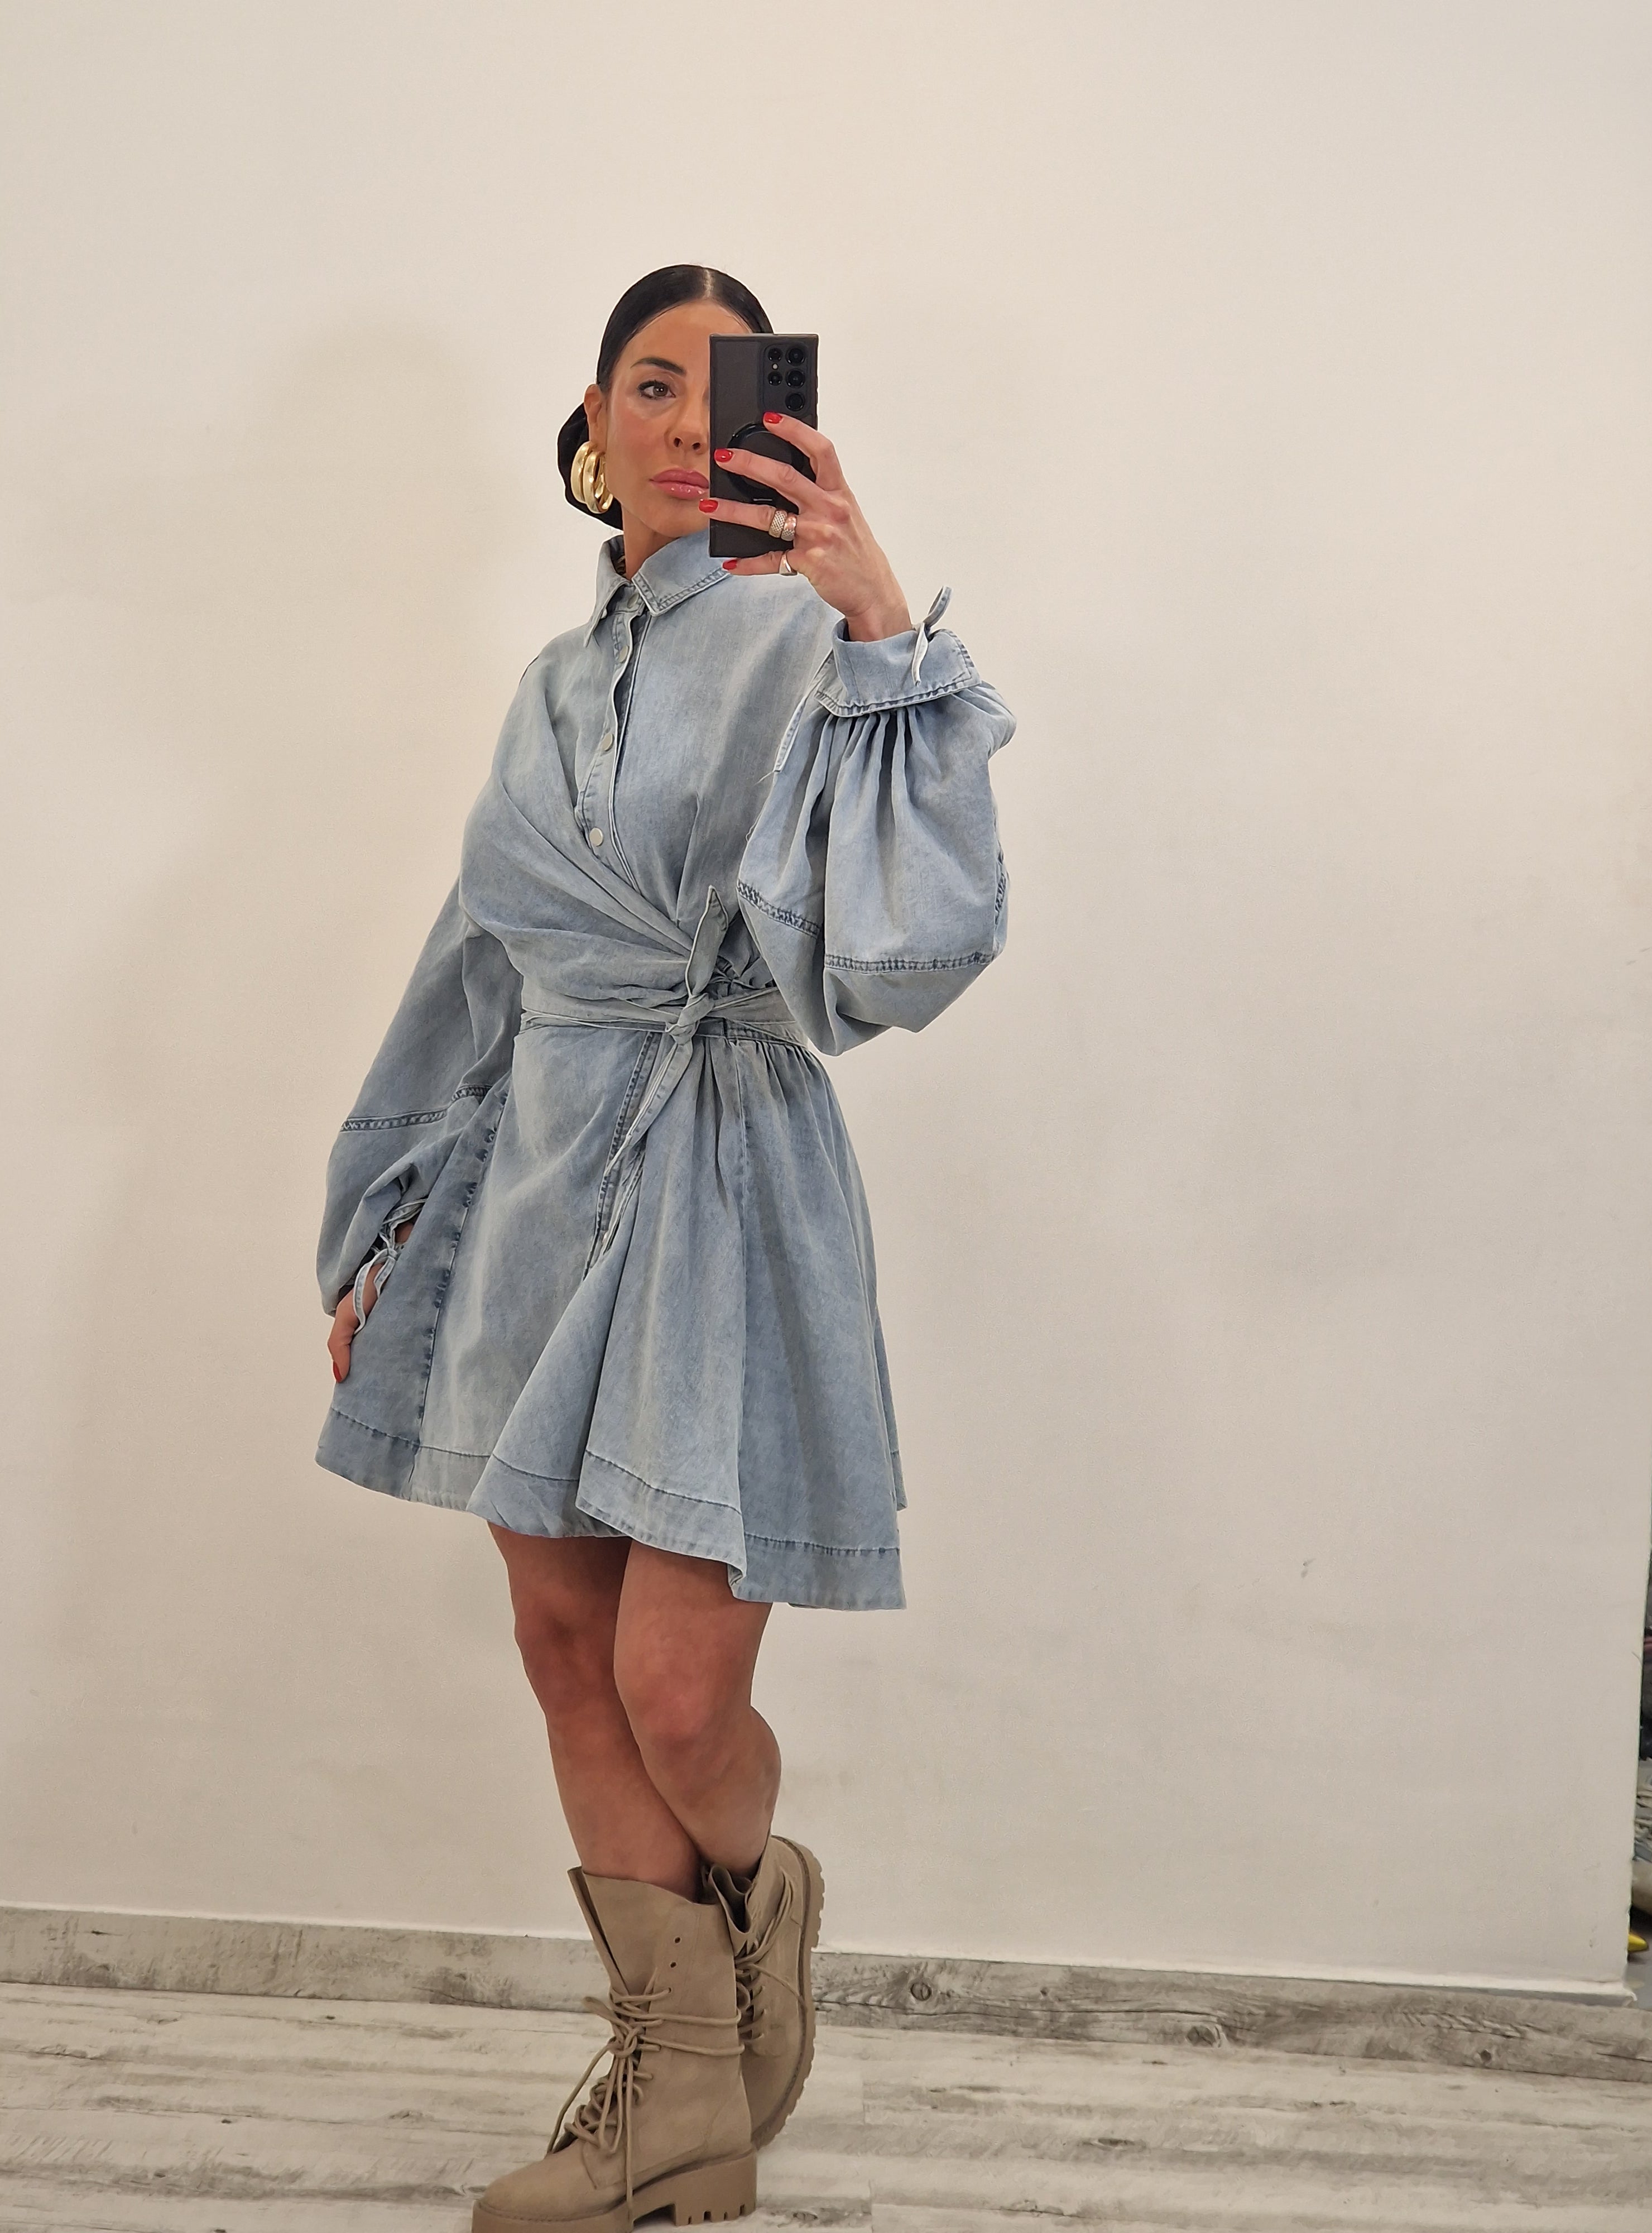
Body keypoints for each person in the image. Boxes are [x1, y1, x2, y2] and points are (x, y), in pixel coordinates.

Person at [315, 265, 1014, 2231]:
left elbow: (915, 954)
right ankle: (680, 2097)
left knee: (677, 1692)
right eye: (649, 381)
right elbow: (476, 968)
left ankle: (757, 1918)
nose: (690, 418)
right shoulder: (551, 684)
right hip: (533, 1191)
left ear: (783, 417)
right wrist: (384, 1216)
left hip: (723, 1182)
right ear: (594, 424)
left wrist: (882, 625)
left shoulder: (811, 643)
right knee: (564, 1655)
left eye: (728, 385)